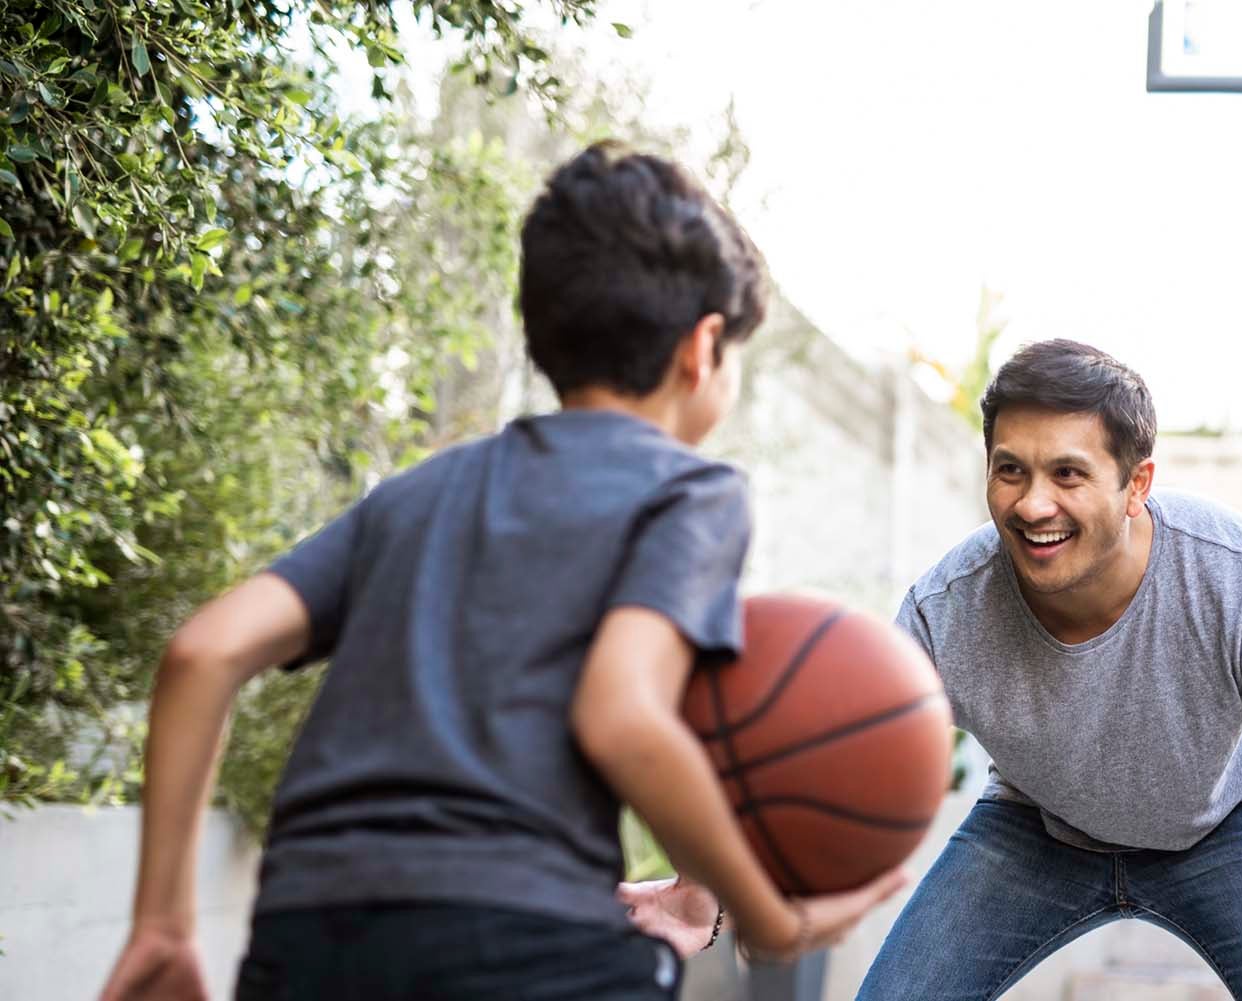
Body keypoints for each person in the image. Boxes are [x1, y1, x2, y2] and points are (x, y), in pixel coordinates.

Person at [97, 142, 904, 1001]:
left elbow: (202, 652)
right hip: (523, 943)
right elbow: (624, 716)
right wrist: (769, 918)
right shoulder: (690, 491)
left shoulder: (418, 491)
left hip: (309, 935)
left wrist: (162, 924)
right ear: (703, 350)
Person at [856, 339, 1242, 1001]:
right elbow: (854, 764)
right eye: (1010, 470)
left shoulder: (1239, 576)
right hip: (1037, 826)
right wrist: (738, 872)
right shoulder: (947, 611)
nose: (1033, 504)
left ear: (1137, 485)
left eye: (1068, 474)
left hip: (1231, 826)